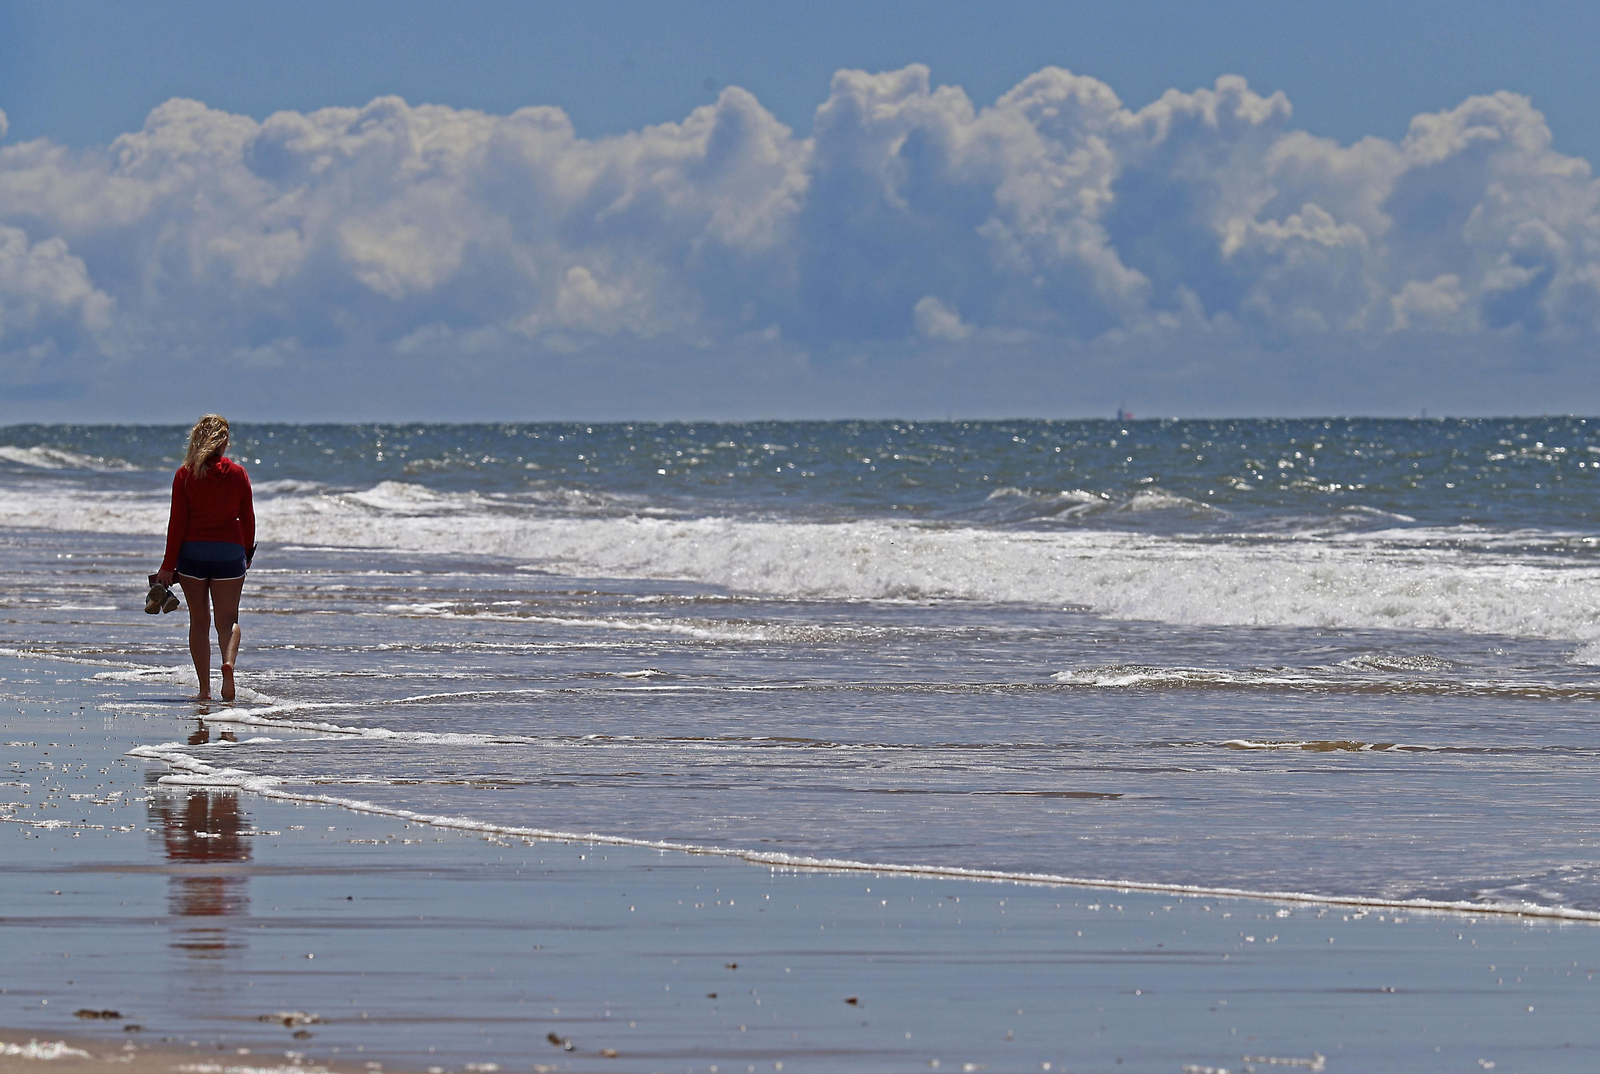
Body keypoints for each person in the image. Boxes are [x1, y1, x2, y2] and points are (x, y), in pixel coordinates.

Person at [155, 414, 256, 702]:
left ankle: (204, 689)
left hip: (193, 554)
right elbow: (247, 518)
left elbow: (177, 523)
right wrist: (245, 554)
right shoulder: (238, 473)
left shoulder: (185, 474)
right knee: (228, 621)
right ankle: (228, 664)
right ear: (224, 442)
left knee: (199, 621)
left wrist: (167, 565)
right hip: (229, 554)